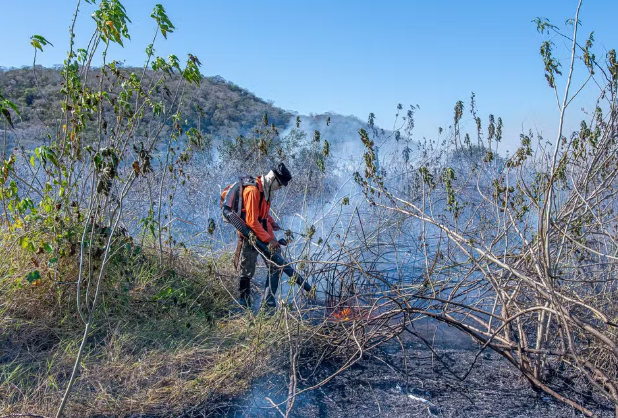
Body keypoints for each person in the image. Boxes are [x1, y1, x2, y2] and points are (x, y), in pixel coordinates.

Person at [236, 162, 292, 308]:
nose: (280, 188)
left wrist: (272, 222)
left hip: (262, 231)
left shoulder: (266, 190)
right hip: (250, 234)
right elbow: (252, 221)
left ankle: (269, 300)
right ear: (273, 178)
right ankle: (244, 301)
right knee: (247, 268)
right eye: (280, 184)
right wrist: (269, 240)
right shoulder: (253, 191)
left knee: (277, 263)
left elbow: (263, 214)